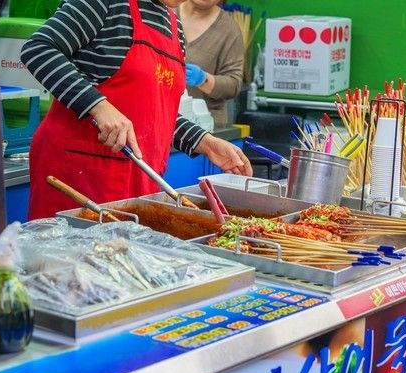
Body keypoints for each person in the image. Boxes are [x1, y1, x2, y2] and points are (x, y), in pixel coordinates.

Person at [20, 0, 252, 220]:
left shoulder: (173, 24)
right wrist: (98, 106)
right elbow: (38, 49)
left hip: (139, 181)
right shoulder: (106, 4)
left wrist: (205, 142)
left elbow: (155, 112)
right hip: (80, 176)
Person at [178, 0, 244, 128]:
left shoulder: (229, 30)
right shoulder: (165, 13)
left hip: (205, 125)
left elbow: (234, 84)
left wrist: (204, 79)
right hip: (161, 116)